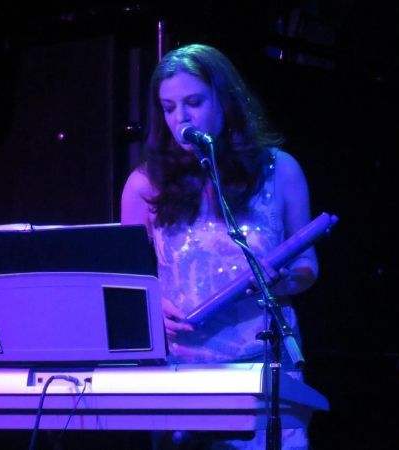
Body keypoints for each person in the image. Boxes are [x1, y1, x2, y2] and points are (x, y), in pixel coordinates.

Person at [120, 43, 318, 450]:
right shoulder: (143, 185)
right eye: (169, 108)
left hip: (264, 366)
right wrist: (153, 307)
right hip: (182, 370)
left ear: (224, 100)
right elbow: (126, 285)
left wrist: (280, 281)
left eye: (194, 103)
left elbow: (308, 266)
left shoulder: (280, 170)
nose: (181, 118)